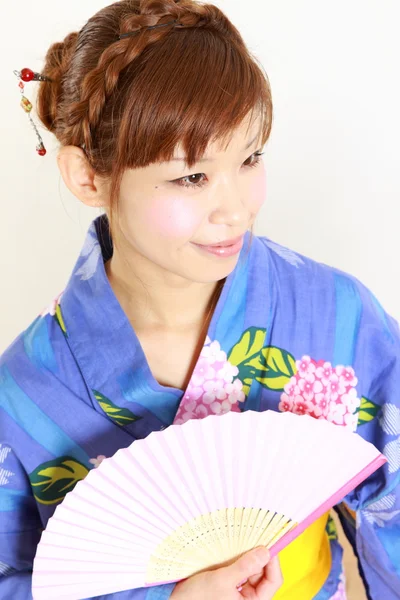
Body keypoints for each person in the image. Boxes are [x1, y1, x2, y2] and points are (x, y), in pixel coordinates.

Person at [1, 0, 399, 598]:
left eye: (249, 158)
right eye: (191, 177)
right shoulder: (26, 390)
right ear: (88, 177)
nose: (235, 209)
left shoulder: (335, 311)